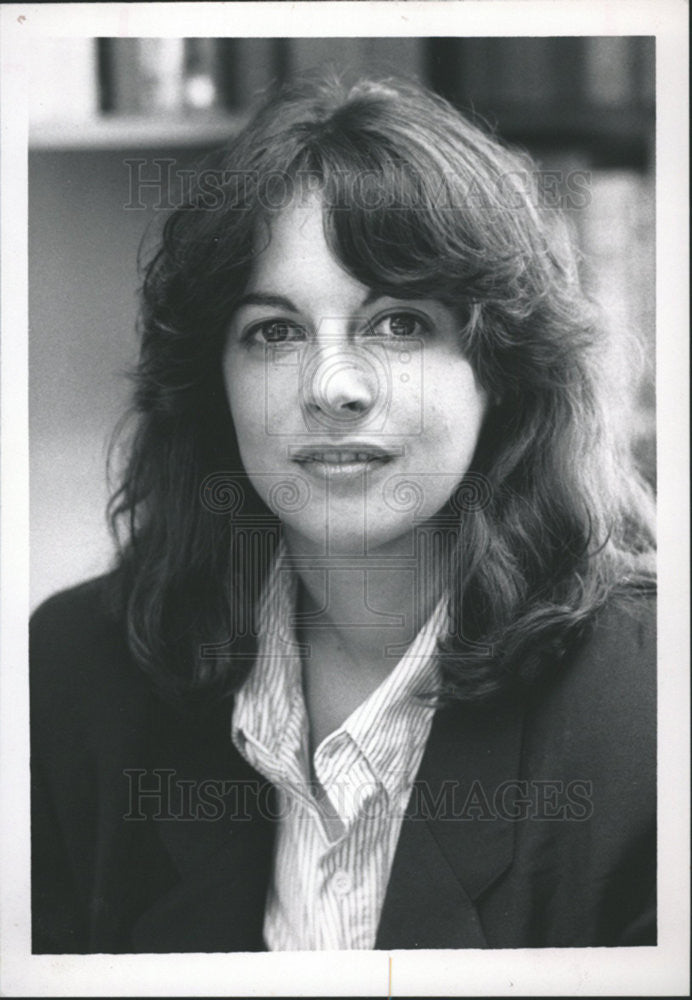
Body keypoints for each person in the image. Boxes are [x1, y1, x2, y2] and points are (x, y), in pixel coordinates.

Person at [30, 75, 656, 953]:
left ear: (502, 373)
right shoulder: (68, 679)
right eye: (275, 332)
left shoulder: (654, 707)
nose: (333, 387)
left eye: (399, 324)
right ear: (215, 384)